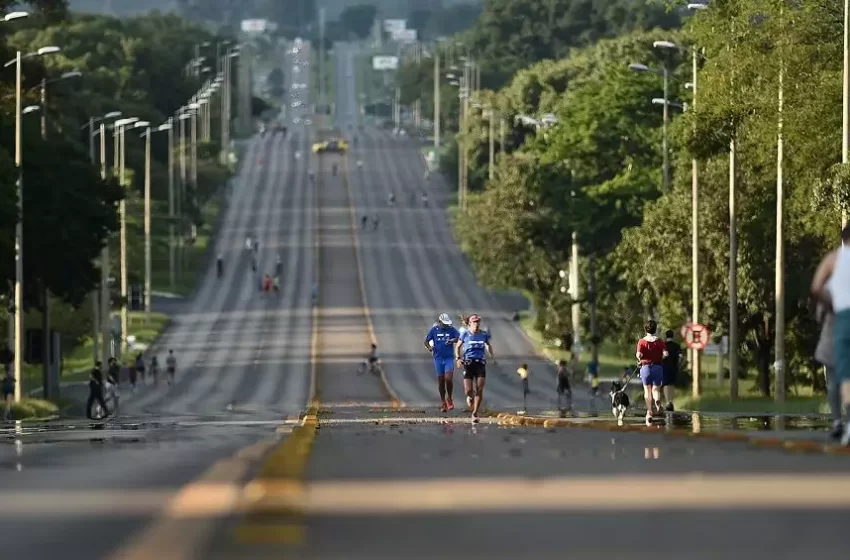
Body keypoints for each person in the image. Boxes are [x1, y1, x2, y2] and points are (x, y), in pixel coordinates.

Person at [811, 224, 850, 445]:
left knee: (837, 379)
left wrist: (829, 305)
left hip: (835, 329)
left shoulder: (834, 262)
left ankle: (838, 422)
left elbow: (818, 292)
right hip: (834, 330)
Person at [455, 314, 495, 423]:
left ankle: (475, 412)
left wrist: (492, 356)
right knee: (468, 391)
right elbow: (458, 347)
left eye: (478, 322)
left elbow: (487, 345)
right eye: (475, 322)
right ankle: (470, 397)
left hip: (480, 363)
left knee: (480, 388)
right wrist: (458, 358)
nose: (477, 324)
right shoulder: (465, 334)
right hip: (468, 364)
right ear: (470, 324)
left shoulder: (483, 334)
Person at [815, 294, 843, 440]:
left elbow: (819, 315)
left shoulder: (830, 288)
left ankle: (838, 422)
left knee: (833, 384)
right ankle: (840, 422)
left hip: (832, 340)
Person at [424, 313, 460, 412]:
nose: (446, 326)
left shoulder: (451, 329)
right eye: (444, 324)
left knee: (448, 378)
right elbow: (426, 341)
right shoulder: (434, 330)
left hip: (448, 358)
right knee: (441, 381)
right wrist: (430, 348)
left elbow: (459, 338)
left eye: (447, 324)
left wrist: (453, 340)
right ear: (440, 322)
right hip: (438, 358)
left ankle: (449, 398)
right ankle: (443, 401)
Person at [636, 319, 667, 425]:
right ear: (655, 329)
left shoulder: (642, 341)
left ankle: (649, 412)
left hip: (645, 368)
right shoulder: (660, 341)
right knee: (656, 390)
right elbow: (665, 353)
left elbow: (638, 354)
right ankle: (658, 404)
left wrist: (639, 356)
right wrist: (663, 355)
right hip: (657, 367)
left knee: (647, 391)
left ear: (645, 329)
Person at [662, 330, 681, 411]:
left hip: (664, 367)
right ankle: (671, 401)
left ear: (666, 336)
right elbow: (681, 357)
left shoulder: (663, 345)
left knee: (666, 384)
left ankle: (667, 402)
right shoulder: (677, 346)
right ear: (673, 336)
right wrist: (678, 365)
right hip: (674, 367)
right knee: (671, 384)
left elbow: (661, 357)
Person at [2, 349, 14, 421]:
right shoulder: (7, 375)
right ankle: (6, 415)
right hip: (9, 389)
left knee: (7, 402)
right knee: (8, 403)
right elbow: (10, 379)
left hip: (6, 389)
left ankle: (8, 414)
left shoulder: (5, 375)